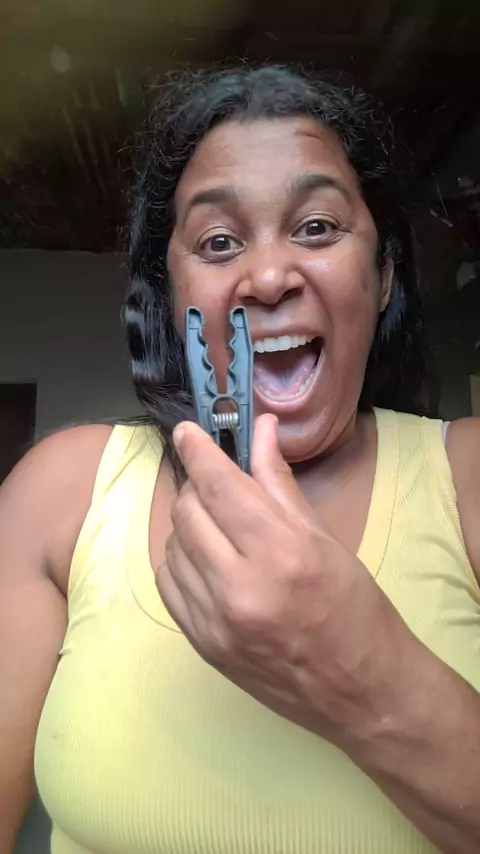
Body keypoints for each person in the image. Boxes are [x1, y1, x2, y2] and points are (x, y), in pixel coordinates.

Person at [1, 65, 479, 854]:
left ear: (383, 276)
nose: (268, 277)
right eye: (219, 242)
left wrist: (363, 673)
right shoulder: (58, 494)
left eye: (317, 227)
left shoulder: (468, 479)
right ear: (172, 299)